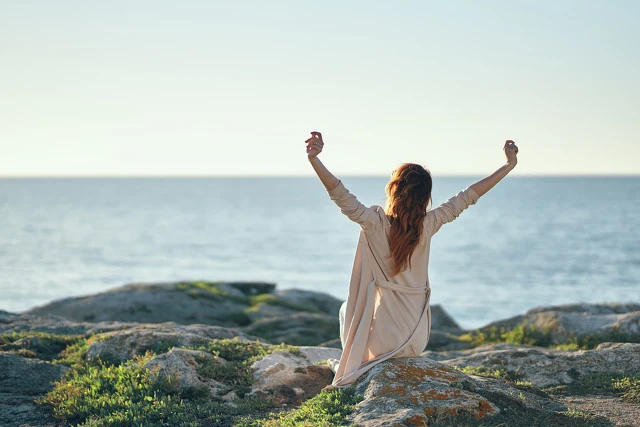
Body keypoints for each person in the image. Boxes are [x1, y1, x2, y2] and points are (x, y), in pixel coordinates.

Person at [304, 131, 519, 389]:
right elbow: (468, 196)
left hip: (386, 342)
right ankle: (353, 364)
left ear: (394, 189)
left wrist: (314, 159)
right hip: (416, 340)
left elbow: (340, 195)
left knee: (346, 308)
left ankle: (351, 364)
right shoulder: (429, 224)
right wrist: (508, 165)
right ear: (426, 197)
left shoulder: (374, 223)